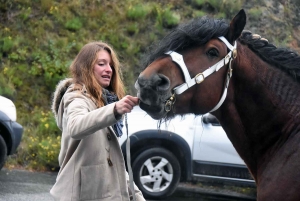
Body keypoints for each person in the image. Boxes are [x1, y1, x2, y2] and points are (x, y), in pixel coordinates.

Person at [50, 41, 145, 201]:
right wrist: (114, 110)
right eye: (101, 64)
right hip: (81, 195)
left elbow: (114, 164)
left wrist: (136, 196)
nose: (109, 69)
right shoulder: (76, 96)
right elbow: (75, 126)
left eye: (111, 65)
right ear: (86, 67)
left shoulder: (103, 102)